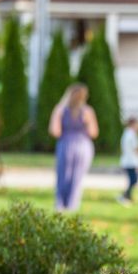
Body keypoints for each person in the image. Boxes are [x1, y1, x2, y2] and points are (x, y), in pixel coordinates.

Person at [49, 84, 99, 212]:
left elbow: (55, 132)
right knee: (77, 176)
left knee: (62, 174)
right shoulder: (87, 111)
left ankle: (60, 204)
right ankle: (72, 204)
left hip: (66, 144)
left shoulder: (60, 110)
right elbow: (93, 133)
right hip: (83, 146)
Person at [118, 117, 138, 205]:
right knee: (134, 180)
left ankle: (128, 196)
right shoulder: (132, 134)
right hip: (131, 161)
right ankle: (125, 195)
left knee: (132, 180)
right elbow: (136, 148)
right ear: (133, 124)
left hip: (127, 161)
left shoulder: (126, 134)